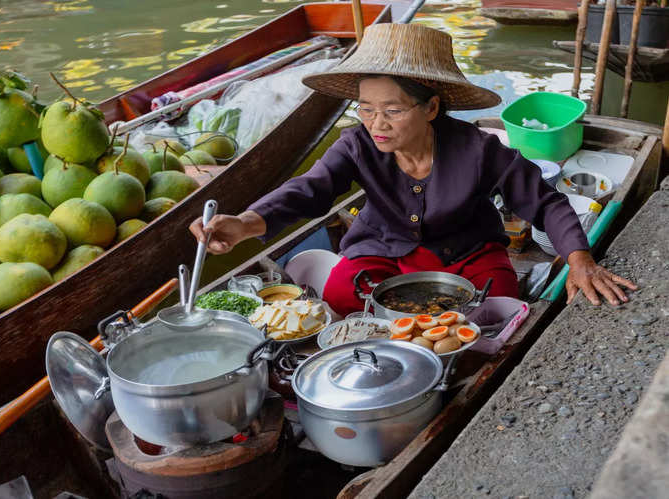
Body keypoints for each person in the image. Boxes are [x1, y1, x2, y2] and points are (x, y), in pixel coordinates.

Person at [190, 23, 635, 316]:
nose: (376, 124)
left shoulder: (478, 149)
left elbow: (543, 201)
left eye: (393, 110)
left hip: (467, 254)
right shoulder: (357, 145)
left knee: (498, 307)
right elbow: (309, 189)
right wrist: (246, 222)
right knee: (340, 297)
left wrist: (580, 260)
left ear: (431, 108)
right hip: (381, 248)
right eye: (365, 109)